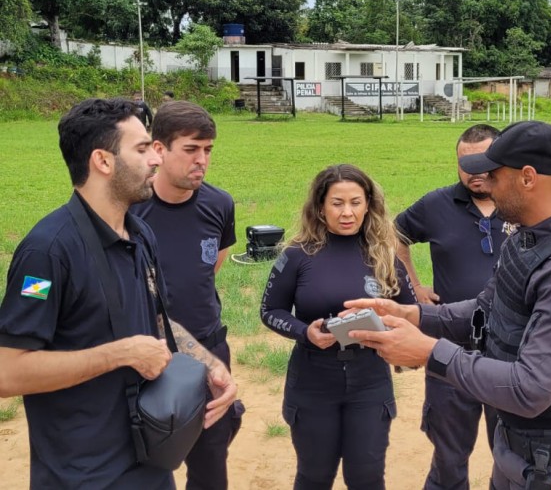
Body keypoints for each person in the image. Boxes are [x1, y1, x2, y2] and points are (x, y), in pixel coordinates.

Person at [345, 121, 551, 490]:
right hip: (518, 457)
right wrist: (412, 314)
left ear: (527, 178)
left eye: (493, 176)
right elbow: (484, 312)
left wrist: (430, 352)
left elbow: (530, 389)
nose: (486, 186)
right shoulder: (526, 242)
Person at [0, 98, 237, 489]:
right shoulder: (47, 252)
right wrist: (118, 354)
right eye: (143, 149)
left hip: (151, 456)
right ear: (103, 161)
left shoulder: (140, 234)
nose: (155, 160)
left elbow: (158, 319)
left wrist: (209, 366)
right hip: (84, 473)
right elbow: (7, 371)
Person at [260, 164, 417, 490]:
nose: (347, 212)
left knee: (367, 478)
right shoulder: (297, 255)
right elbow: (270, 310)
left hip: (370, 380)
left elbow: (412, 313)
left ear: (368, 205)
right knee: (314, 477)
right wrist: (306, 332)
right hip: (313, 379)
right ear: (320, 207)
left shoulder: (386, 255)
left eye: (356, 202)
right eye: (337, 203)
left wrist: (387, 326)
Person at [130, 100, 243, 490]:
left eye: (208, 150)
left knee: (211, 459)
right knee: (146, 459)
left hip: (208, 350)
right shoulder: (131, 209)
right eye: (191, 149)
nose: (202, 160)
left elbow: (211, 266)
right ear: (158, 150)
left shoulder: (219, 203)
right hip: (147, 353)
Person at [395, 124, 507, 490]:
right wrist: (414, 288)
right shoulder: (436, 205)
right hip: (450, 345)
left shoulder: (522, 204)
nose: (473, 170)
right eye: (464, 162)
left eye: (482, 160)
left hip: (512, 350)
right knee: (448, 452)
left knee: (514, 452)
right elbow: (392, 236)